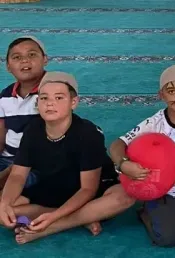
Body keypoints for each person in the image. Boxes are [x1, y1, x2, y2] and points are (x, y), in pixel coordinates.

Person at [0, 72, 135, 245]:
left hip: (93, 191)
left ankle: (54, 226)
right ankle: (85, 217)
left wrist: (53, 219)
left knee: (125, 196)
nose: (50, 103)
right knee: (4, 208)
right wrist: (5, 204)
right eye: (44, 98)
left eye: (59, 98)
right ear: (37, 103)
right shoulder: (33, 129)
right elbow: (18, 175)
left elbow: (88, 189)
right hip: (54, 187)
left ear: (73, 102)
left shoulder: (88, 134)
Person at [109, 65, 175, 247]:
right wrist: (124, 164)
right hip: (160, 191)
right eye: (171, 91)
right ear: (161, 95)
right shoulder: (154, 124)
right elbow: (116, 145)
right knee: (168, 238)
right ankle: (146, 212)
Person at [0, 37, 47, 189]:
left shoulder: (53, 91)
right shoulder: (5, 96)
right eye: (17, 57)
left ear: (45, 59)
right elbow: (1, 134)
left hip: (36, 165)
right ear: (8, 66)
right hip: (6, 159)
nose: (25, 60)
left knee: (20, 183)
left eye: (32, 55)